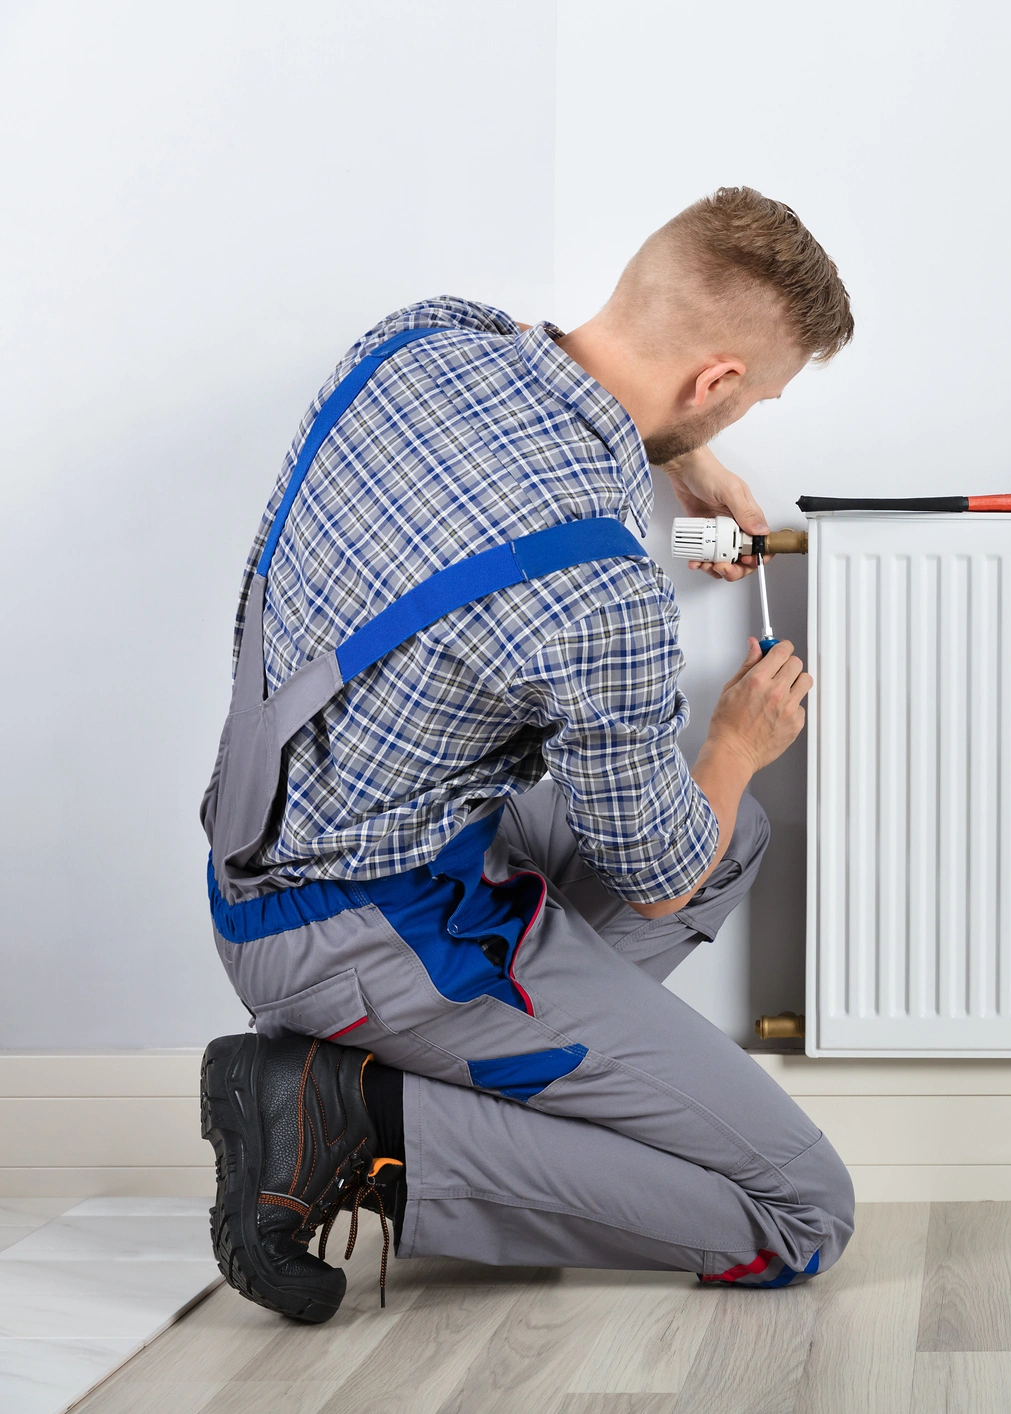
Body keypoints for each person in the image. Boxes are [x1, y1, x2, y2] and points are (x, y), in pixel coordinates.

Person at [195, 187, 856, 1323]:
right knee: (804, 1211)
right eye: (750, 400)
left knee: (731, 839)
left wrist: (680, 460)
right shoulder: (602, 595)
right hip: (371, 930)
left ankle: (416, 1091)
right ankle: (361, 1119)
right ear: (715, 383)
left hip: (259, 850)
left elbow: (550, 432)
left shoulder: (417, 340)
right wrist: (739, 741)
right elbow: (661, 875)